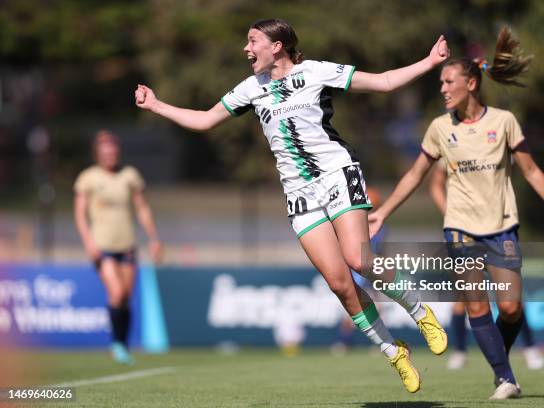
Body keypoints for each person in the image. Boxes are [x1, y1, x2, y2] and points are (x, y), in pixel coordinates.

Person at [135, 18, 449, 394]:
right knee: (339, 284)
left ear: (278, 45)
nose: (246, 49)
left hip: (337, 173)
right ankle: (392, 350)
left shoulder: (315, 72)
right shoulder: (251, 89)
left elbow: (382, 82)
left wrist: (429, 62)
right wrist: (156, 106)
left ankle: (419, 312)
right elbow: (205, 121)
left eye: (252, 41)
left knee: (359, 259)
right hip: (300, 195)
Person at [368, 26, 544, 399]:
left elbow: (531, 170)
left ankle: (499, 363)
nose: (442, 88)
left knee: (512, 307)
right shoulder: (439, 129)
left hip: (502, 228)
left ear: (470, 84)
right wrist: (384, 211)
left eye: (448, 80)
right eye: (439, 82)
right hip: (460, 230)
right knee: (474, 303)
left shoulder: (503, 122)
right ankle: (505, 378)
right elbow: (415, 175)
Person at [429, 161, 544, 371]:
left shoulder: (497, 140)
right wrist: (450, 213)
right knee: (463, 298)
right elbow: (435, 184)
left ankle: (529, 348)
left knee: (512, 301)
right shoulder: (448, 141)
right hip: (461, 231)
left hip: (497, 230)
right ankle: (460, 351)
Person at [74, 130, 163, 364]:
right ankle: (116, 344)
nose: (110, 156)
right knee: (116, 293)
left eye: (113, 151)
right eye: (106, 152)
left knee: (126, 297)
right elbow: (80, 214)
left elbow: (142, 208)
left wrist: (154, 238)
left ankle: (123, 345)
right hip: (102, 246)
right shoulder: (88, 178)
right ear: (98, 154)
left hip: (127, 245)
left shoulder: (129, 175)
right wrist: (88, 242)